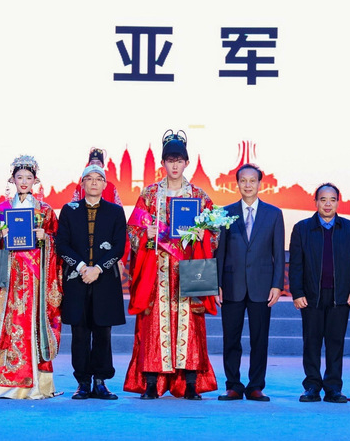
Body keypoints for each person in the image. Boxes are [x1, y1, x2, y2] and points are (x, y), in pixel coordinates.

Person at [124, 130, 218, 400]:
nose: (174, 166)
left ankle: (190, 384)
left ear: (186, 163)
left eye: (179, 160)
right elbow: (133, 230)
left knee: (192, 325)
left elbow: (215, 234)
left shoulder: (199, 196)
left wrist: (203, 235)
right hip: (158, 270)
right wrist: (147, 234)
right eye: (170, 160)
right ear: (162, 163)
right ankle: (151, 383)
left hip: (189, 268)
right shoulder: (150, 195)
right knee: (153, 323)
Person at [0, 155, 62, 399]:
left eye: (28, 177)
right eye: (19, 177)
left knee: (32, 324)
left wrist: (46, 238)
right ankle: (2, 383)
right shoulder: (1, 211)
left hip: (35, 280)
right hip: (8, 278)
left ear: (35, 180)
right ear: (12, 180)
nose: (24, 181)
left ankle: (38, 383)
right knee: (6, 324)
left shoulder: (45, 211)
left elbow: (58, 242)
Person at [289, 183, 350, 404]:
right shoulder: (302, 228)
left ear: (338, 202)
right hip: (311, 296)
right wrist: (297, 292)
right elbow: (296, 265)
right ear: (316, 202)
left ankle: (333, 388)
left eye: (332, 200)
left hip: (340, 296)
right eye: (323, 200)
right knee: (311, 343)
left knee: (335, 343)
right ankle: (312, 386)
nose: (328, 204)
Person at [214, 163, 284, 402]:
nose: (248, 185)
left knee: (259, 339)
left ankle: (255, 386)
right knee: (231, 338)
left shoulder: (274, 214)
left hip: (262, 286)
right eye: (243, 180)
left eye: (252, 180)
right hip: (231, 284)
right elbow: (220, 253)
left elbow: (278, 253)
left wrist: (277, 285)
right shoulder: (225, 213)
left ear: (260, 184)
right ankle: (233, 385)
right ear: (237, 184)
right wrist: (217, 283)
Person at [57, 164, 127, 400]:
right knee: (79, 332)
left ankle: (100, 381)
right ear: (82, 184)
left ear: (105, 184)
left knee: (103, 332)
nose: (94, 182)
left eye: (99, 178)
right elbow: (62, 244)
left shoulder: (115, 212)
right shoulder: (69, 210)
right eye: (89, 178)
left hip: (104, 279)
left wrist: (97, 268)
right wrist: (81, 267)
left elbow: (119, 246)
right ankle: (83, 382)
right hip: (76, 280)